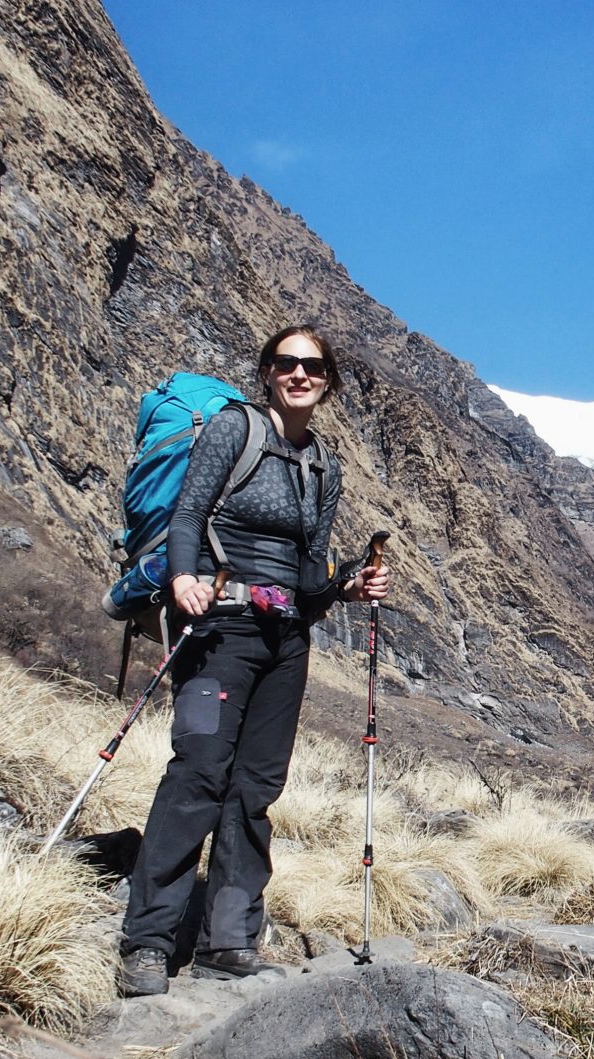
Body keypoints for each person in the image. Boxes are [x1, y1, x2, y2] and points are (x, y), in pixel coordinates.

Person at [116, 325, 389, 996]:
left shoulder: (324, 467)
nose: (300, 374)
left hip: (286, 638)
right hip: (218, 625)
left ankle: (230, 940)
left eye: (314, 366)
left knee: (255, 790)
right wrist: (183, 577)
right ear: (267, 372)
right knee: (199, 773)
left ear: (328, 382)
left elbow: (308, 573)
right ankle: (147, 942)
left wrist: (349, 583)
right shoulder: (233, 431)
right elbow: (188, 515)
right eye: (287, 363)